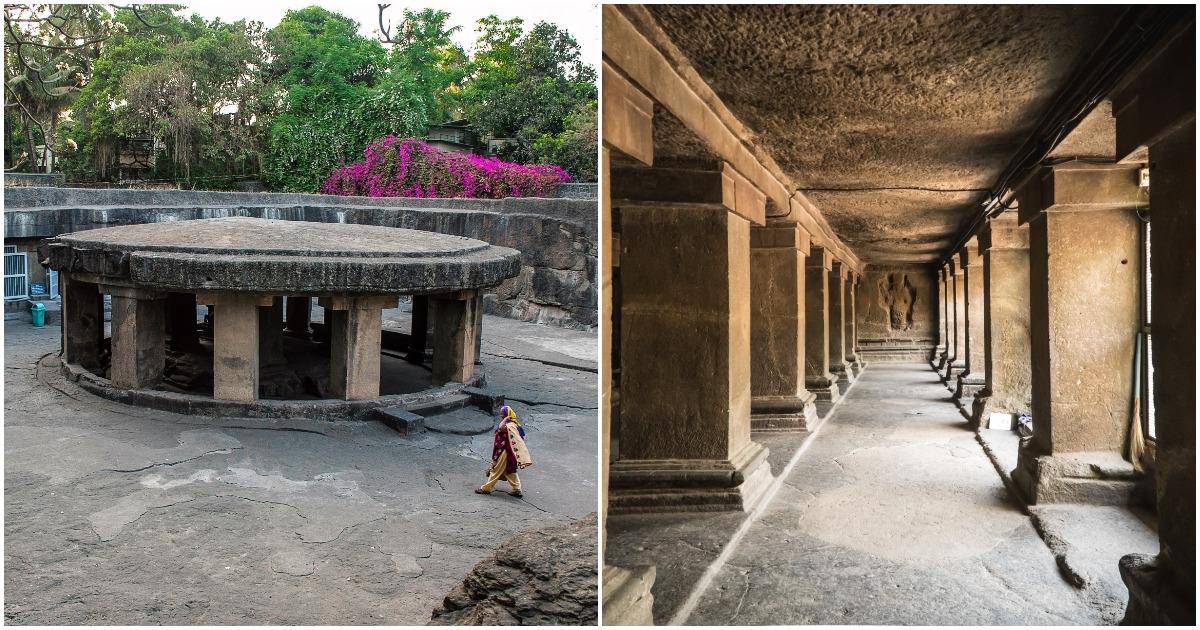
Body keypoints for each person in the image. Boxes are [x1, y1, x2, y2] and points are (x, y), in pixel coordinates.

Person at [475, 405, 532, 497]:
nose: (501, 415)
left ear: (507, 414)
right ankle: (517, 489)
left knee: (495, 470)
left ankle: (486, 488)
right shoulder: (516, 424)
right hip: (510, 452)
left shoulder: (509, 425)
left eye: (503, 413)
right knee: (510, 471)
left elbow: (501, 428)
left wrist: (505, 420)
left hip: (506, 452)